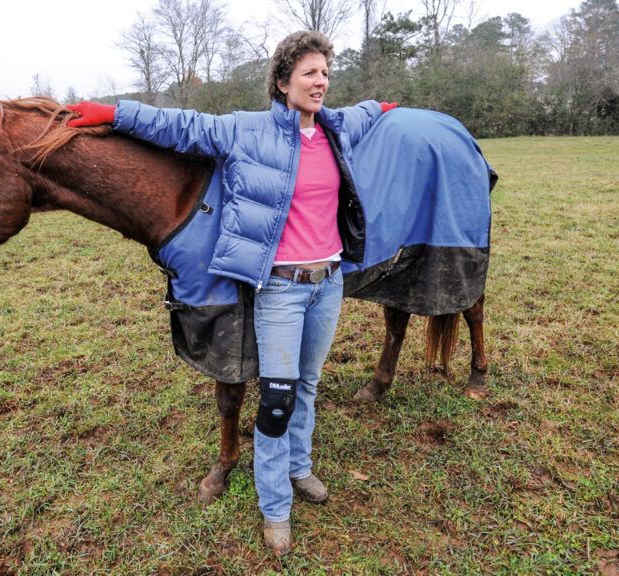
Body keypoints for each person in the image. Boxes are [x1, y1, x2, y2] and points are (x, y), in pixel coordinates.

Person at [67, 31, 396, 556]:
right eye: (310, 72)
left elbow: (365, 112)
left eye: (326, 73)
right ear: (283, 80)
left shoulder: (336, 128)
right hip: (282, 290)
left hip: (327, 283)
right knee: (277, 397)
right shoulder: (245, 131)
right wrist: (111, 113)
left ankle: (299, 468)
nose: (321, 82)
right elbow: (178, 124)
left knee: (307, 383)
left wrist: (382, 106)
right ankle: (275, 508)